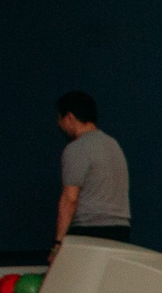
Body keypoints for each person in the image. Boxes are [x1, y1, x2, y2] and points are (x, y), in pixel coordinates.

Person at [53, 91, 131, 251]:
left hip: (90, 230)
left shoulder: (76, 148)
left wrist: (58, 244)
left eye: (59, 119)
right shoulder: (113, 145)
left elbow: (70, 199)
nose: (59, 125)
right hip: (121, 230)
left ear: (69, 117)